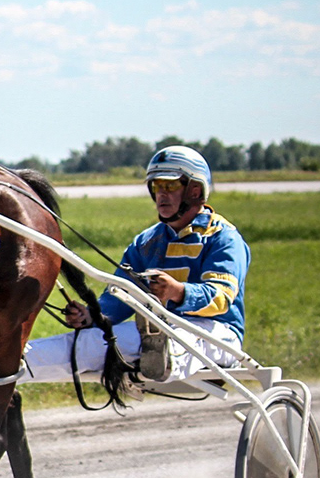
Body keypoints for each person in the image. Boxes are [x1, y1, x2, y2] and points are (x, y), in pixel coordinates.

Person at [22, 145, 249, 385]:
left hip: (217, 333)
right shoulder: (147, 242)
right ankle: (6, 365)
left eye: (170, 185)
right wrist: (91, 316)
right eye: (156, 186)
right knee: (92, 341)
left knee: (176, 339)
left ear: (194, 190)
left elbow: (222, 298)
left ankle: (163, 358)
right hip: (154, 333)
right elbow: (120, 296)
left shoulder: (223, 238)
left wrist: (178, 291)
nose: (161, 194)